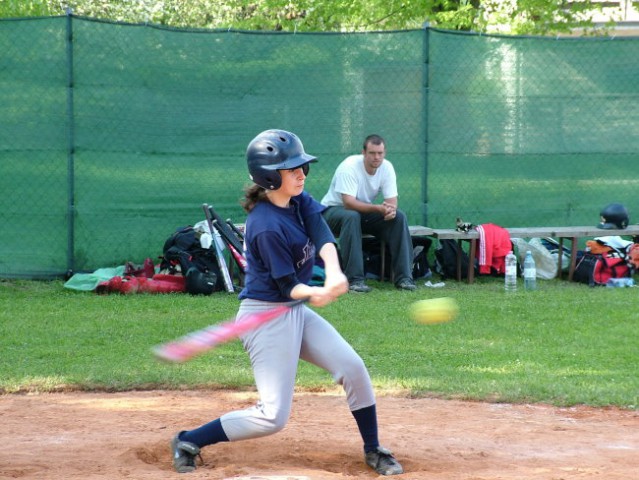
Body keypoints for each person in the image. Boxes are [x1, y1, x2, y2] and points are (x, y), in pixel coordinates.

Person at [170, 129, 404, 476]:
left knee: (352, 368)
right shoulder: (264, 225)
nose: (301, 173)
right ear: (268, 176)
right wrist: (316, 292)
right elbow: (287, 286)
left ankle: (373, 449)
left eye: (302, 166)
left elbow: (322, 234)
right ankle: (189, 439)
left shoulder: (298, 200)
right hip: (266, 315)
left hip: (294, 309)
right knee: (271, 418)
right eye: (291, 168)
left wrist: (336, 272)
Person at [321, 134, 417, 293]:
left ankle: (405, 279)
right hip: (332, 212)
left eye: (380, 153)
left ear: (384, 153)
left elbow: (392, 202)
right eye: (372, 153)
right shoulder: (349, 166)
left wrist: (390, 211)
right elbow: (348, 203)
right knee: (351, 216)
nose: (376, 157)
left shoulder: (387, 167)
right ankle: (355, 281)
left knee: (399, 217)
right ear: (363, 152)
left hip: (360, 213)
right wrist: (378, 209)